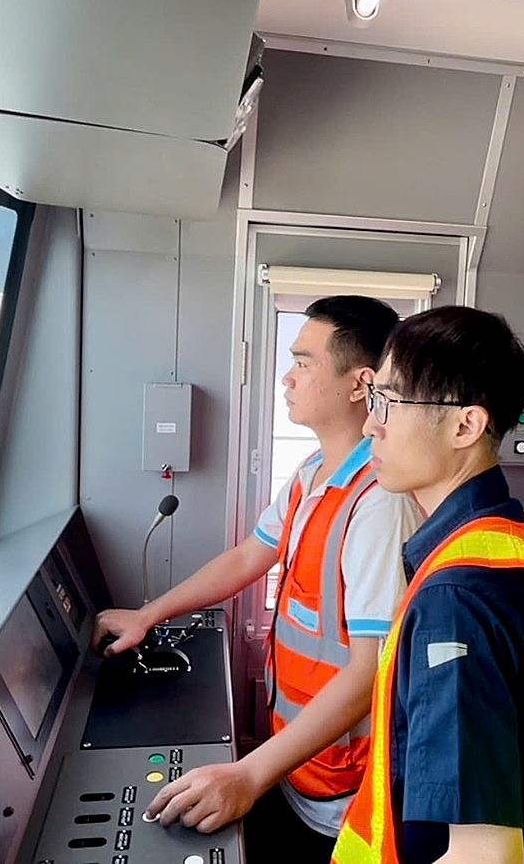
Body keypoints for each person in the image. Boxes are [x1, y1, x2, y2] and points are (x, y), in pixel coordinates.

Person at [95, 295, 422, 861]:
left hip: (345, 792)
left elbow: (371, 670)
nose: (287, 378)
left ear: (358, 383)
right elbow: (251, 555)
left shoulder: (378, 504)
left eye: (303, 361)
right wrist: (150, 614)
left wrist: (248, 776)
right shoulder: (311, 475)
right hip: (298, 764)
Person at [333, 306, 524, 864]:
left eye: (387, 401)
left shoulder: (457, 596)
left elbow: (484, 853)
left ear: (465, 426)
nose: (368, 424)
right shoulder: (523, 534)